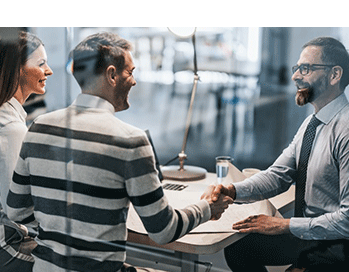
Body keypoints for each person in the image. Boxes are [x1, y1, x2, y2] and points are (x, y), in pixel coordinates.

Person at [6, 32, 233, 272]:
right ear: (112, 75)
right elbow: (163, 231)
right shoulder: (131, 141)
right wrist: (208, 208)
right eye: (130, 72)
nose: (134, 81)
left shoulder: (39, 126)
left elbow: (17, 211)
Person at [211, 36, 349, 272]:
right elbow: (277, 175)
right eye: (297, 68)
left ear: (334, 75)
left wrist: (284, 225)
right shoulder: (311, 124)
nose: (295, 76)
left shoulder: (345, 130)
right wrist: (233, 191)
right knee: (238, 248)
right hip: (307, 236)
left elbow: (347, 221)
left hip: (337, 245)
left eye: (305, 68)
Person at [0, 31, 53, 271]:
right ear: (17, 69)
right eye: (41, 64)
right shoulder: (11, 128)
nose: (49, 71)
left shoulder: (9, 117)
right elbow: (17, 211)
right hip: (7, 246)